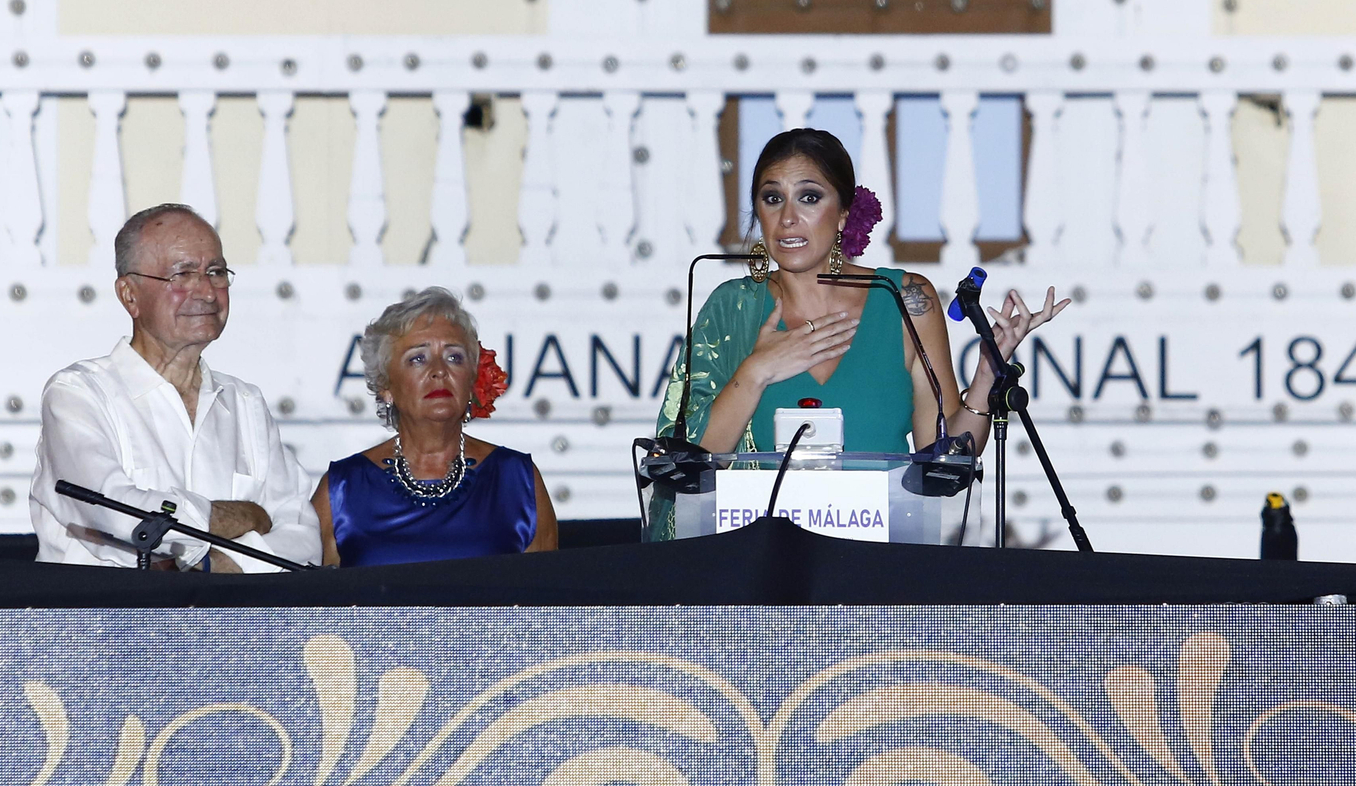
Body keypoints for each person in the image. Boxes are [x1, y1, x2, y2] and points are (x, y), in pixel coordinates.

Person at [657, 127, 1070, 456]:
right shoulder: (733, 308)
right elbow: (687, 463)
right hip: (762, 555)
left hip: (877, 555)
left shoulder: (903, 298)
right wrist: (758, 370)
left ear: (843, 215)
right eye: (772, 198)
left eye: (809, 197)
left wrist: (985, 376)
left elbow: (942, 456)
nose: (787, 218)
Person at [30, 203, 320, 571]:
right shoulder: (78, 394)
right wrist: (244, 516)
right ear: (129, 295)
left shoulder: (245, 403)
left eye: (215, 272)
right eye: (182, 274)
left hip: (231, 625)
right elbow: (120, 518)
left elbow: (304, 538)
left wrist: (211, 568)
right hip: (103, 624)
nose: (207, 292)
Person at [312, 288, 558, 566]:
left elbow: (546, 604)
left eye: (455, 357)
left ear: (471, 379)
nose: (440, 370)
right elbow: (308, 604)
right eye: (418, 358)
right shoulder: (341, 489)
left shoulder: (518, 480)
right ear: (385, 385)